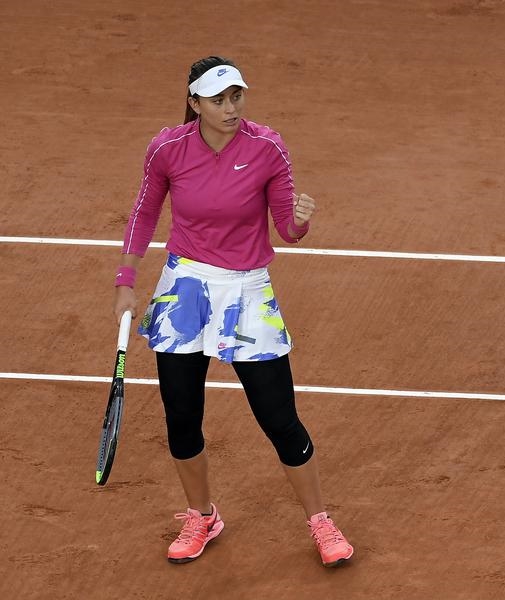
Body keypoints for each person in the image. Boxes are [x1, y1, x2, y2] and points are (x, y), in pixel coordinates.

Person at [112, 55, 353, 568]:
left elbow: (287, 229)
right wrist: (126, 281)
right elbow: (144, 212)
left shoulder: (267, 147)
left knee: (279, 417)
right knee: (182, 416)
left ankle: (320, 520)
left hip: (246, 290)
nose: (230, 107)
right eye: (218, 99)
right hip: (185, 290)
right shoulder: (167, 149)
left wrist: (301, 220)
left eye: (236, 96)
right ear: (194, 103)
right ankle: (202, 515)